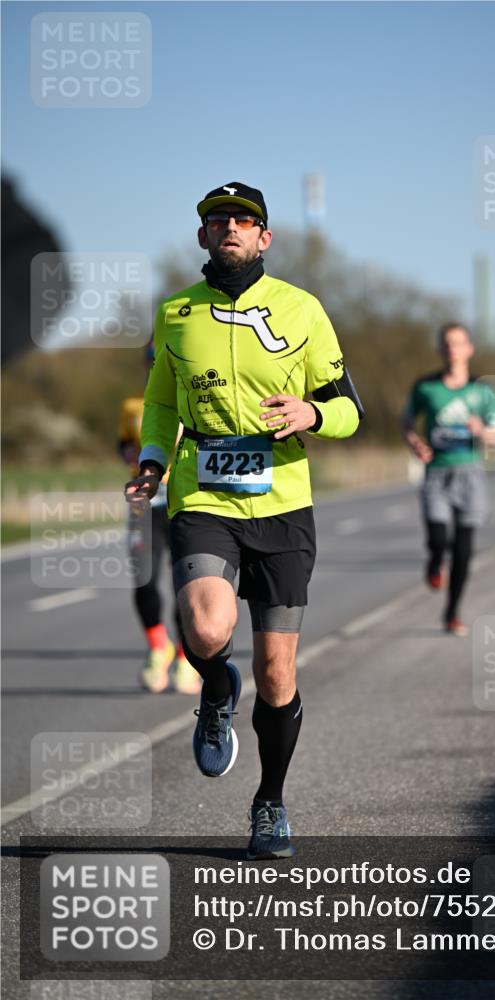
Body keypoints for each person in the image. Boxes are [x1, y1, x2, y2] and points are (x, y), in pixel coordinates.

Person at [124, 182, 362, 859]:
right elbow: (161, 405)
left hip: (282, 501)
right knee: (204, 626)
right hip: (204, 495)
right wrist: (151, 465)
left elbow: (349, 409)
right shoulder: (175, 314)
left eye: (243, 220)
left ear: (264, 238)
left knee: (278, 672)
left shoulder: (302, 309)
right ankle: (215, 686)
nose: (229, 227)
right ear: (202, 237)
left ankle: (269, 802)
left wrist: (313, 414)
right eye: (216, 220)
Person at [402, 323, 495, 636]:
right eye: (447, 343)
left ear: (469, 349)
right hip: (437, 473)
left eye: (459, 343)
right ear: (440, 349)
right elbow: (407, 420)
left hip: (470, 473)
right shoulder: (426, 387)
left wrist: (483, 431)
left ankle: (452, 613)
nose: (452, 349)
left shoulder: (482, 391)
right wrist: (414, 442)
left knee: (463, 549)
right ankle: (434, 562)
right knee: (438, 537)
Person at [118, 343, 200, 695]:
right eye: (152, 361)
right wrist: (131, 454)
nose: (155, 366)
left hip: (185, 501)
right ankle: (158, 648)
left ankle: (185, 657)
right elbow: (121, 443)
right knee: (145, 581)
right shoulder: (133, 405)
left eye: (161, 361)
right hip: (145, 505)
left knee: (188, 587)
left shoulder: (194, 398)